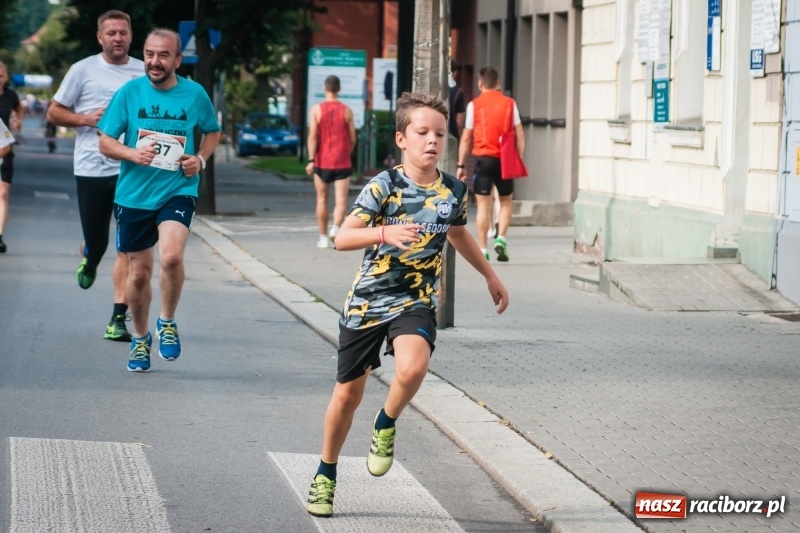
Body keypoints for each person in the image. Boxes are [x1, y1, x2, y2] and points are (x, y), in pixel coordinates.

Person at [305, 92, 509, 518]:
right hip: (367, 302)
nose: (432, 141)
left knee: (414, 368)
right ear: (402, 138)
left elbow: (458, 235)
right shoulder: (385, 185)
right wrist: (384, 234)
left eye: (439, 134)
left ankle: (386, 421)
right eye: (422, 133)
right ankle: (326, 473)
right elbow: (343, 237)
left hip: (415, 299)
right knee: (347, 395)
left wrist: (490, 274)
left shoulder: (453, 190)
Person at [97, 28, 220, 372]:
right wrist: (132, 153)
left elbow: (212, 131)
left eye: (163, 55)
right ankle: (139, 339)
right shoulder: (129, 92)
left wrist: (202, 160)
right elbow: (105, 141)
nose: (154, 61)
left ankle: (166, 321)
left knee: (170, 254)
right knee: (138, 277)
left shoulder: (194, 94)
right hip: (133, 195)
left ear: (178, 60)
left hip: (177, 189)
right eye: (150, 54)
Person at [47, 10, 145, 341]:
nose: (118, 38)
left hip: (131, 168)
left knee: (127, 246)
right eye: (111, 33)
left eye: (123, 32)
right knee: (99, 242)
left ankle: (117, 319)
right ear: (100, 37)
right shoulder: (82, 69)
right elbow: (53, 111)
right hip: (90, 167)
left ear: (131, 36)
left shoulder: (144, 72)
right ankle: (90, 258)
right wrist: (87, 119)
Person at [457, 65, 524, 262]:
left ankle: (483, 248)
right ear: (498, 84)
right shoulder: (510, 104)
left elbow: (467, 137)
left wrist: (461, 164)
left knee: (483, 206)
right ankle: (501, 237)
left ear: (480, 84)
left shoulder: (474, 105)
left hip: (482, 160)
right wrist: (516, 158)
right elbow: (520, 134)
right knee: (505, 202)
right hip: (504, 160)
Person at [305, 75, 356, 249]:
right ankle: (335, 227)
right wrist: (346, 152)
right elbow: (352, 138)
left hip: (321, 161)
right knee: (341, 199)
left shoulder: (316, 109)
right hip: (342, 161)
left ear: (325, 88)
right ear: (339, 89)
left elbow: (312, 135)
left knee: (322, 198)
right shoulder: (347, 110)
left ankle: (323, 237)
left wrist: (311, 159)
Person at [0, 61, 24, 254]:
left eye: (3, 70)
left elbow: (19, 109)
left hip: (4, 147)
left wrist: (18, 121)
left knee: (3, 193)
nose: (0, 72)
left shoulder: (10, 95)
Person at [448, 60, 466, 140]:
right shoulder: (458, 92)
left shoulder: (435, 89)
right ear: (455, 73)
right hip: (452, 134)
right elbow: (459, 122)